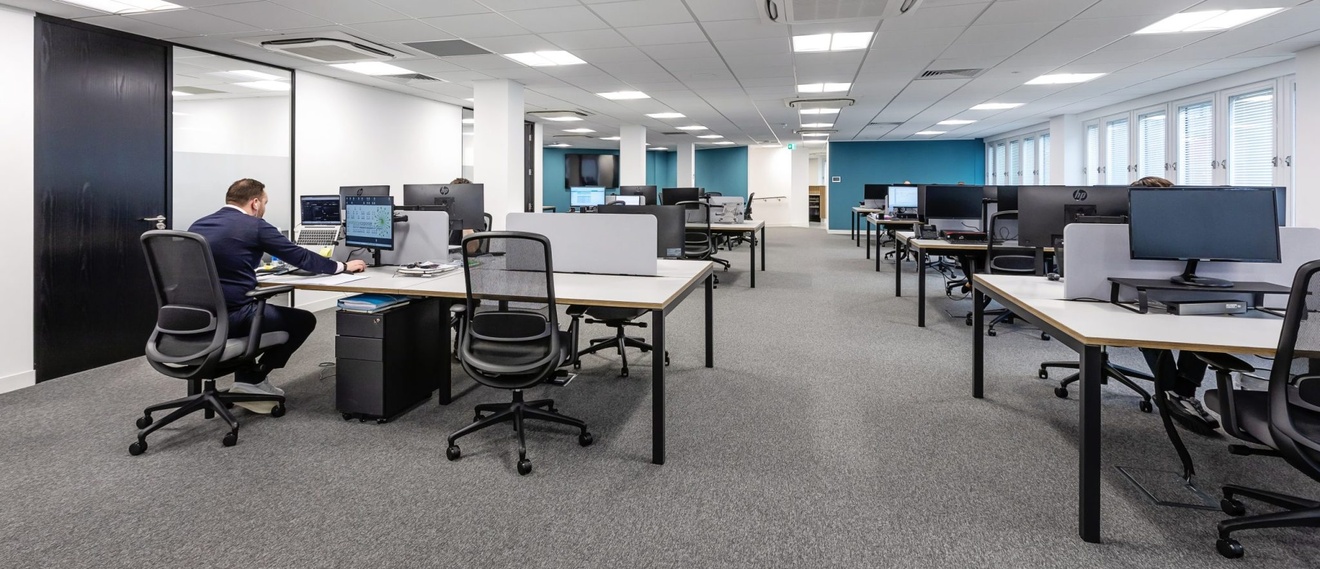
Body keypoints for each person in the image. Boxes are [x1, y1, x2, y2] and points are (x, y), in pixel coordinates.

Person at [189, 178, 367, 409]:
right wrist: (342, 266)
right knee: (303, 320)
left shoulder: (198, 225)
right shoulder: (254, 226)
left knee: (260, 316)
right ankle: (254, 379)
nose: (264, 208)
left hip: (195, 318)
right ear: (254, 203)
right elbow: (300, 257)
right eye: (265, 202)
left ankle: (246, 379)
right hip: (233, 316)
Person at [1130, 176, 1218, 435]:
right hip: (1138, 295)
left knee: (1205, 319)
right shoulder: (1126, 227)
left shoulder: (1194, 227)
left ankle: (1183, 392)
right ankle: (1171, 390)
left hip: (1184, 291)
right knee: (1143, 324)